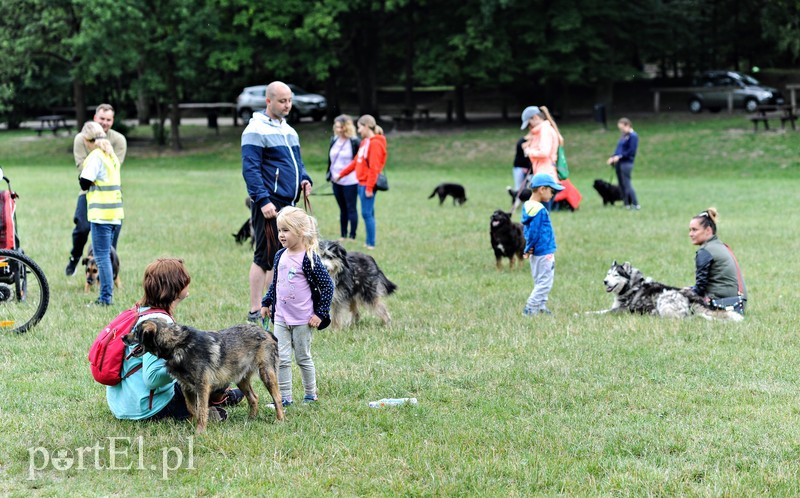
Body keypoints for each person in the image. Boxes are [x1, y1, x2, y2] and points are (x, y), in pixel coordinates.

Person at [106, 258, 242, 422]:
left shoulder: (142, 311)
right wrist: (185, 363)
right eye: (185, 280)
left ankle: (218, 396)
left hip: (122, 402)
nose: (188, 282)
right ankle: (214, 401)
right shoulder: (157, 325)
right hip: (145, 407)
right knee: (212, 367)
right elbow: (152, 378)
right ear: (175, 288)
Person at [242, 81, 313, 323]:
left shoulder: (289, 130)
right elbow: (250, 170)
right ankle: (254, 309)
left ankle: (272, 307)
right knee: (264, 256)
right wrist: (262, 200)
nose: (287, 105)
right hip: (269, 204)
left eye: (290, 100)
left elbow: (298, 163)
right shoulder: (255, 129)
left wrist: (304, 179)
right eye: (282, 101)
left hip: (289, 203)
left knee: (281, 256)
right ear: (268, 101)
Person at [261, 207, 334, 406]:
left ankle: (311, 395)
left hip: (303, 319)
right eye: (279, 230)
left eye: (286, 230)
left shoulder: (309, 259)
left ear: (301, 232)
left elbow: (328, 285)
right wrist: (266, 302)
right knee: (282, 359)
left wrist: (320, 313)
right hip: (281, 318)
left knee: (303, 358)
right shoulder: (280, 256)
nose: (281, 235)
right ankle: (285, 398)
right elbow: (277, 283)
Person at [66, 104, 127, 276]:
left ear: (113, 121)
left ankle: (108, 273)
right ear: (95, 118)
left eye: (109, 119)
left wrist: (92, 174)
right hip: (88, 193)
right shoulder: (81, 138)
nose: (105, 122)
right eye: (102, 119)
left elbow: (112, 170)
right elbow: (82, 170)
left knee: (109, 238)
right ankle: (75, 257)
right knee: (82, 228)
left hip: (110, 196)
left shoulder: (119, 140)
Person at [78, 122, 124, 306]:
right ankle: (107, 295)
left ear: (86, 140)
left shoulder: (96, 156)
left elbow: (84, 182)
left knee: (102, 256)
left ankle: (105, 297)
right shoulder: (110, 154)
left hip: (101, 214)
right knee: (106, 254)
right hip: (115, 213)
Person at [332, 115, 387, 249]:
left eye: (360, 127)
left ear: (367, 126)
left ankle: (370, 243)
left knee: (366, 213)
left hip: (368, 184)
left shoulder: (375, 143)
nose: (359, 130)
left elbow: (374, 168)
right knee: (368, 213)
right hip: (361, 182)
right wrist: (342, 174)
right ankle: (369, 241)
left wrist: (369, 188)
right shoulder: (365, 142)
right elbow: (356, 161)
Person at [688, 208, 747, 315]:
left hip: (721, 303)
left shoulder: (705, 251)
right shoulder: (721, 246)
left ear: (708, 230)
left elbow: (700, 288)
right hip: (739, 301)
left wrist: (683, 293)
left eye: (694, 230)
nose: (690, 234)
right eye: (690, 230)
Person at [521, 173, 564, 316]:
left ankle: (540, 306)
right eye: (552, 191)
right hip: (544, 251)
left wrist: (528, 246)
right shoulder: (539, 210)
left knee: (539, 280)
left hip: (536, 251)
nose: (553, 195)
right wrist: (528, 247)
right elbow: (534, 232)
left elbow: (527, 231)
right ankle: (531, 308)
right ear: (542, 189)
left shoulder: (527, 206)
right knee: (545, 283)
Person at [519, 106, 561, 211]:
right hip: (544, 174)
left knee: (541, 214)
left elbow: (544, 152)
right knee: (541, 214)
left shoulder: (545, 131)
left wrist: (529, 152)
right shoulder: (542, 131)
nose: (529, 127)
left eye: (529, 123)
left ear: (535, 117)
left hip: (545, 177)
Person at [328, 115, 361, 240]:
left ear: (347, 127)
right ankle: (343, 235)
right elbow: (330, 160)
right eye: (336, 126)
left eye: (341, 127)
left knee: (351, 208)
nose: (338, 129)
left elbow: (359, 161)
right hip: (335, 180)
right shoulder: (334, 140)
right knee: (342, 208)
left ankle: (352, 235)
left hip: (350, 180)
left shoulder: (354, 142)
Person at [607, 117, 640, 210]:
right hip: (619, 163)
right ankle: (626, 203)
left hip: (627, 163)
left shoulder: (633, 136)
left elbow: (631, 151)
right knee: (621, 184)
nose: (621, 130)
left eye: (622, 128)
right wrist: (613, 157)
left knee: (627, 183)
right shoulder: (623, 136)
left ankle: (635, 203)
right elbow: (619, 149)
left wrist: (619, 156)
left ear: (628, 125)